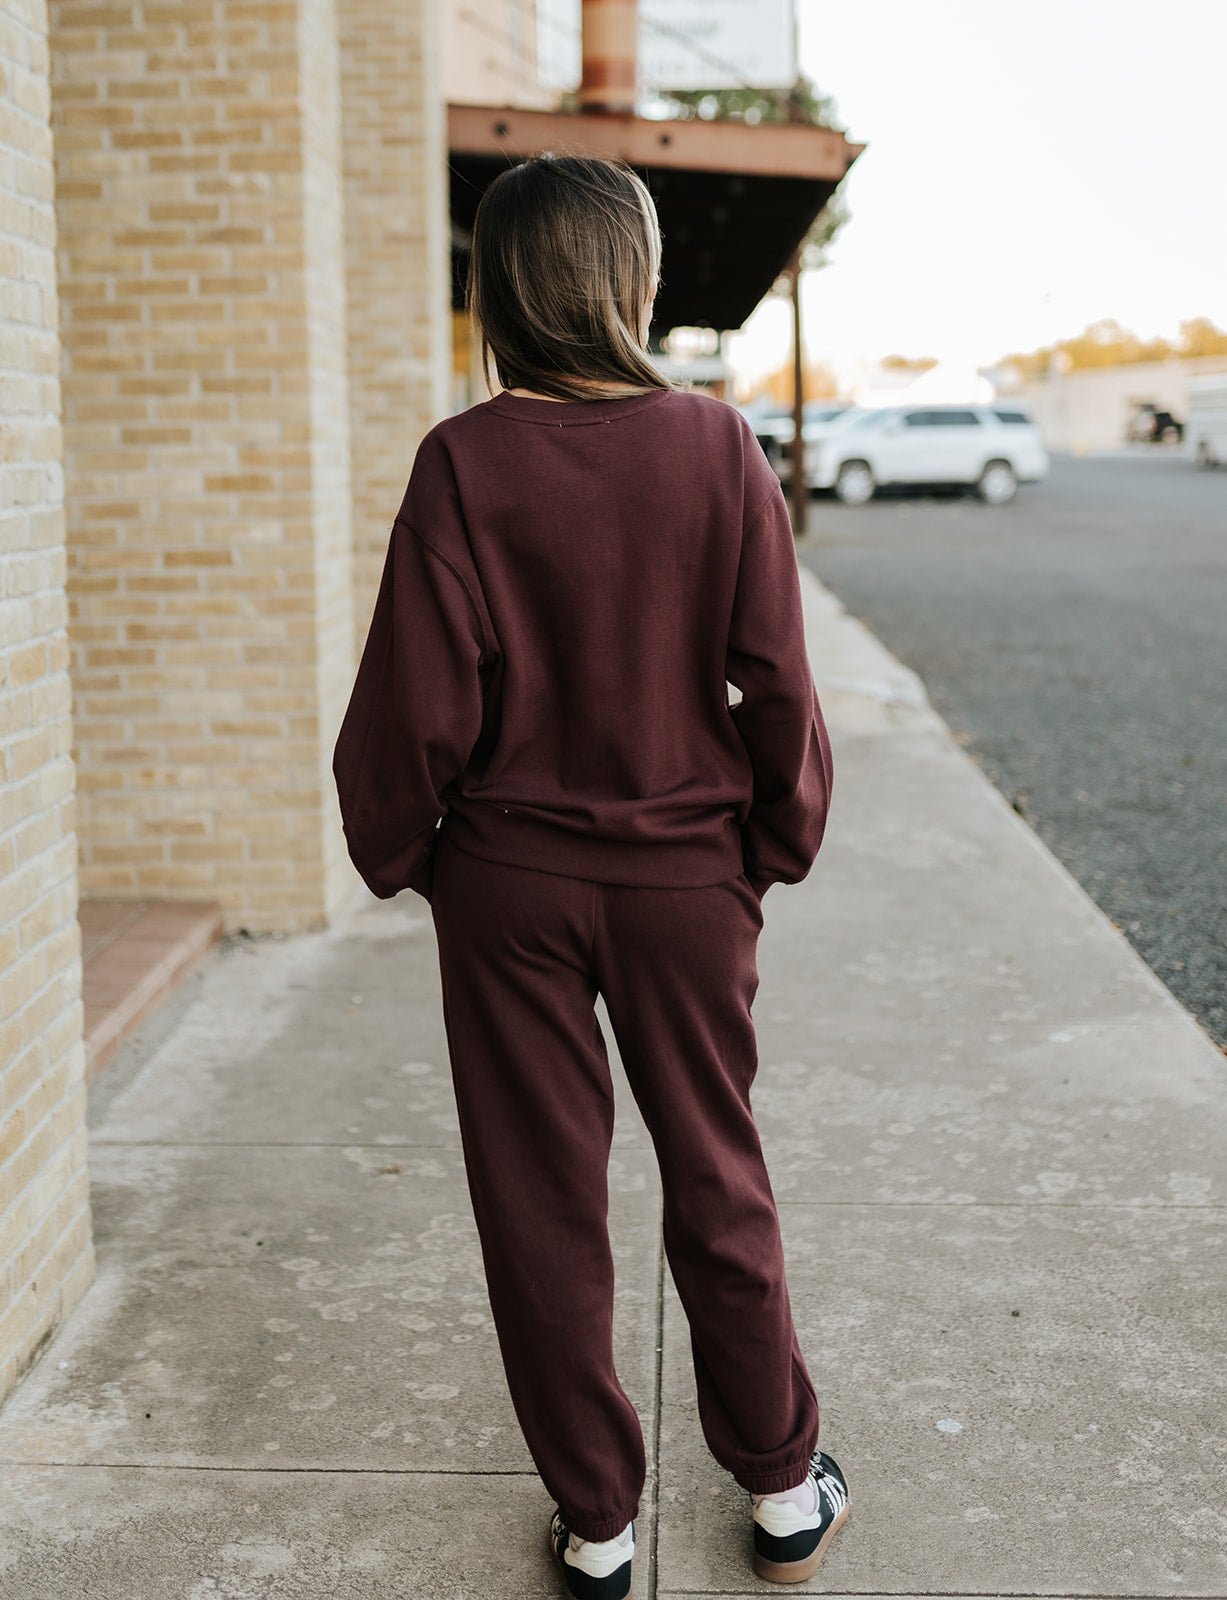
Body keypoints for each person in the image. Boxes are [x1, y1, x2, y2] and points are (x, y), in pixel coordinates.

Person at [331, 151, 847, 1600]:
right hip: (686, 883)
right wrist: (769, 844)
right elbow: (778, 686)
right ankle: (784, 1491)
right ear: (634, 278)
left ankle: (599, 1526)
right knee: (718, 1169)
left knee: (539, 1199)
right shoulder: (719, 448)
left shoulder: (462, 462)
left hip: (511, 886)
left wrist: (410, 855)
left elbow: (413, 710)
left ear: (498, 289)